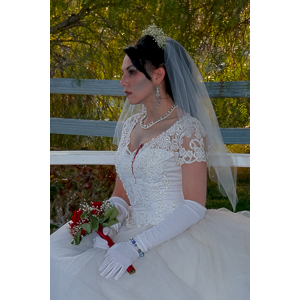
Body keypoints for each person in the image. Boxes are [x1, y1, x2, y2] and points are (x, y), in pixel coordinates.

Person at [50, 25, 250, 300]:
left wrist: (136, 246)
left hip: (172, 238)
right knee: (54, 255)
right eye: (123, 73)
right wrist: (109, 224)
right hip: (129, 230)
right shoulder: (132, 125)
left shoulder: (187, 130)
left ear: (158, 75)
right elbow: (121, 195)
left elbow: (194, 206)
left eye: (131, 72)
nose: (123, 81)